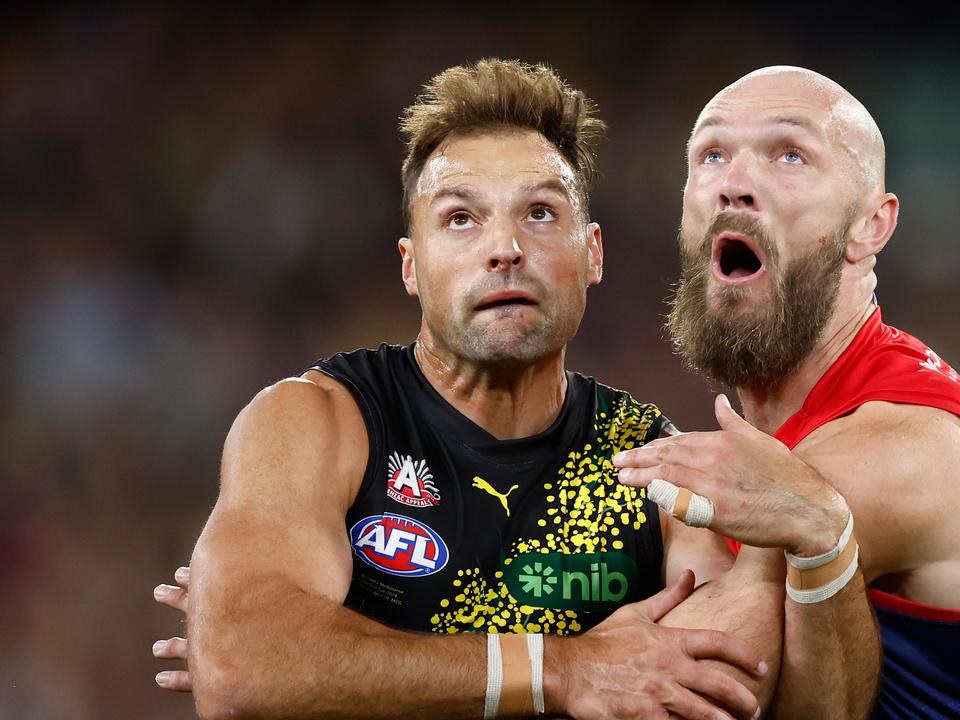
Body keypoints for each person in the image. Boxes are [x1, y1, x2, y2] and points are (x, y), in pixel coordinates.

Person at [153, 59, 787, 720]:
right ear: (411, 266)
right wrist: (561, 668)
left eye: (540, 213)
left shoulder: (656, 468)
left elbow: (729, 691)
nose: (505, 247)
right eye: (461, 219)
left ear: (592, 254)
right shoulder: (317, 422)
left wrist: (335, 656)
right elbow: (244, 667)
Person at [613, 66, 960, 718]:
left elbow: (675, 693)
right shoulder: (803, 437)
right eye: (712, 155)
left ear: (871, 225)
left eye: (789, 154)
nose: (735, 184)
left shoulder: (892, 449)